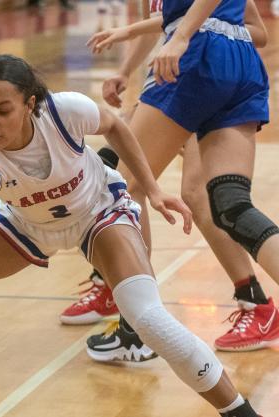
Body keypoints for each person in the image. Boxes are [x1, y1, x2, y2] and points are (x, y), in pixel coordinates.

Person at [0, 54, 262, 417]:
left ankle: (238, 410)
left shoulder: (65, 111)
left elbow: (114, 125)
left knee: (147, 318)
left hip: (100, 212)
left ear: (30, 104)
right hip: (25, 226)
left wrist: (151, 188)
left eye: (2, 110)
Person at [62, 0, 279, 361]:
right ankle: (256, 303)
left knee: (123, 186)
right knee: (227, 204)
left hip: (195, 59)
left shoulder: (185, 33)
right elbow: (252, 30)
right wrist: (137, 45)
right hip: (234, 63)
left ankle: (137, 326)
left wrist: (182, 36)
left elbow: (186, 23)